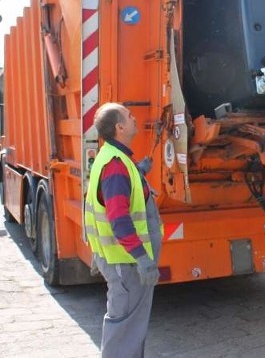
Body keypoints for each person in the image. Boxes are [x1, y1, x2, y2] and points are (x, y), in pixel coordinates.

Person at [84, 102, 162, 358]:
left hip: (121, 262)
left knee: (130, 329)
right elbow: (119, 219)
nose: (135, 118)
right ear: (119, 127)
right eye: (129, 116)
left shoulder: (113, 158)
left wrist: (139, 173)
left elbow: (115, 197)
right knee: (124, 331)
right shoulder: (116, 165)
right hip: (127, 264)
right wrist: (143, 260)